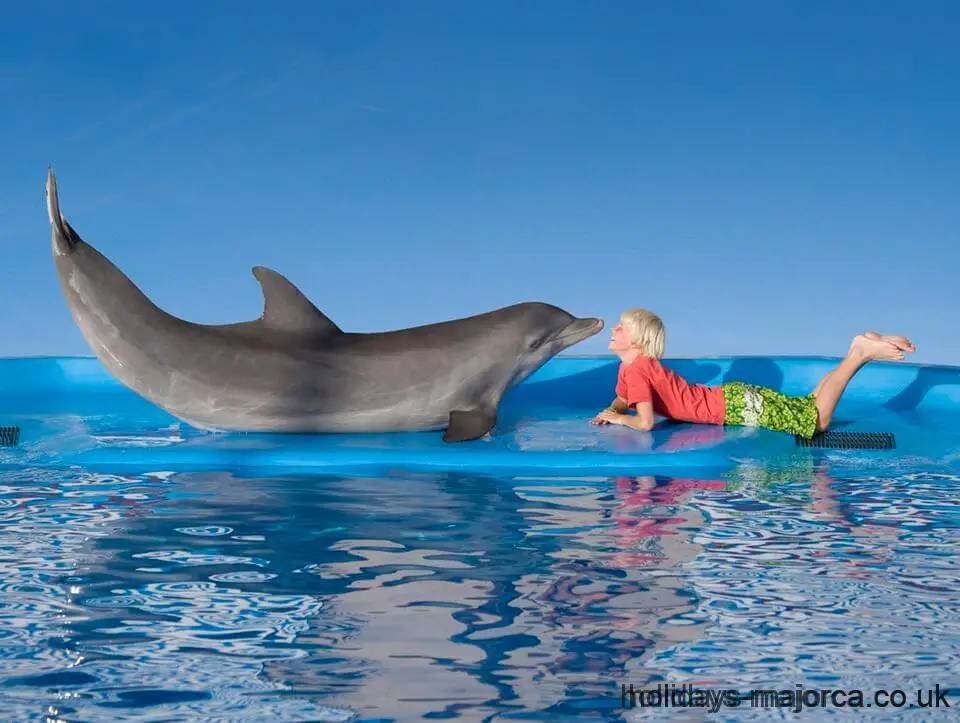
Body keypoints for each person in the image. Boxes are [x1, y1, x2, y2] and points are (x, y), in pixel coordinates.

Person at [589, 308, 915, 438]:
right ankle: (856, 349)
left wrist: (621, 419)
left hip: (734, 406)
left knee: (816, 421)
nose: (613, 329)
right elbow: (623, 397)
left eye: (621, 327)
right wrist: (613, 410)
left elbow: (645, 423)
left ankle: (859, 355)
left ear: (636, 340)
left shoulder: (638, 369)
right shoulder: (631, 367)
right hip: (734, 397)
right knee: (807, 403)